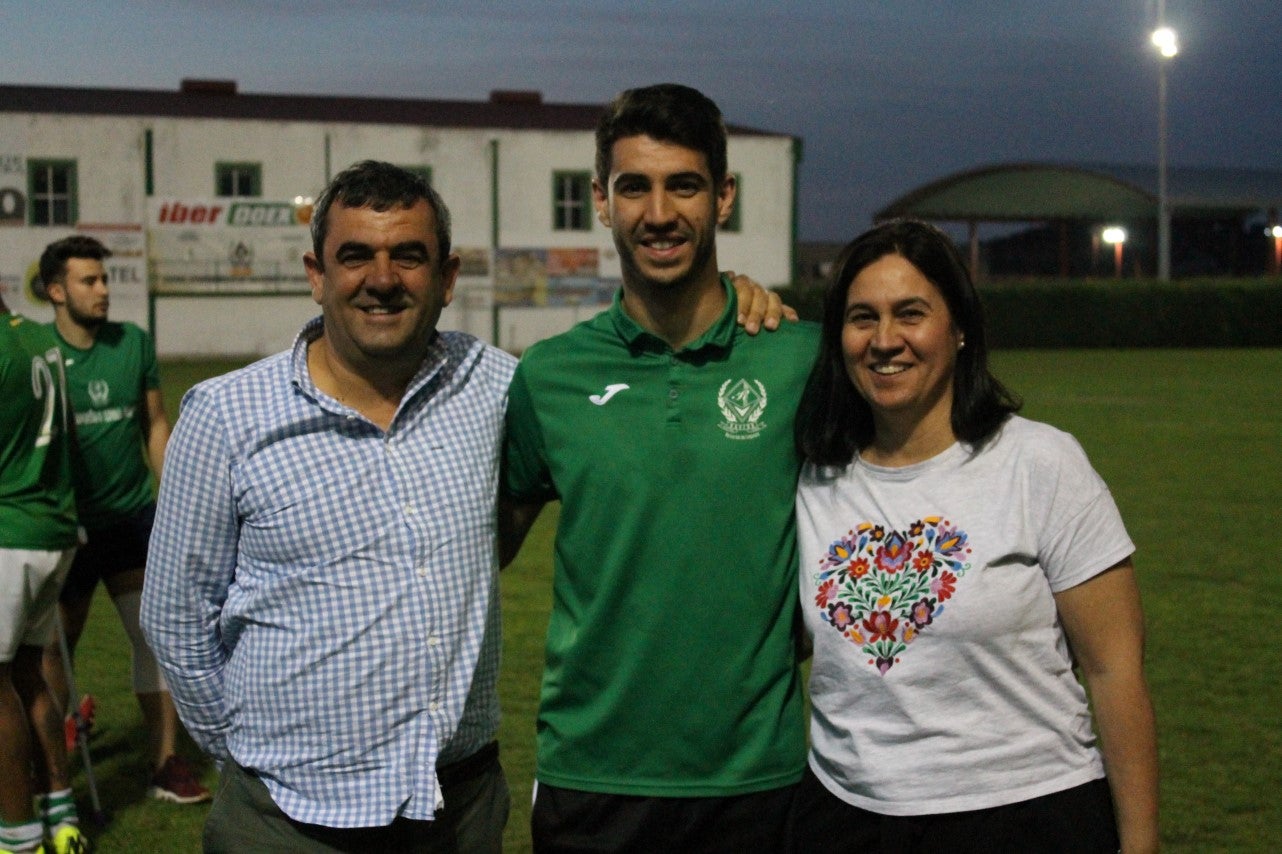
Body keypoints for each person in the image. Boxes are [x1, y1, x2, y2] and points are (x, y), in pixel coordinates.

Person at [140, 161, 516, 852]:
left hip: (456, 809)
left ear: (448, 277)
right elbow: (174, 612)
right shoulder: (227, 415)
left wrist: (730, 294)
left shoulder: (495, 387)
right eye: (355, 256)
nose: (381, 279)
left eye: (408, 255)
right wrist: (251, 757)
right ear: (317, 274)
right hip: (283, 821)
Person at [501, 83, 819, 852]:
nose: (659, 212)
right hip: (594, 776)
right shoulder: (549, 376)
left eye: (685, 185)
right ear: (602, 202)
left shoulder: (798, 359)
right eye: (633, 187)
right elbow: (483, 548)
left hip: (757, 779)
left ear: (724, 197)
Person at [789, 219, 1159, 853]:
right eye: (861, 318)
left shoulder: (1041, 463)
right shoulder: (814, 477)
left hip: (1027, 815)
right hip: (848, 818)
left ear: (959, 328)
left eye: (911, 314)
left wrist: (1141, 843)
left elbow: (1113, 669)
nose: (885, 341)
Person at [34, 235, 209, 805]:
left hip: (133, 519)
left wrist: (176, 494)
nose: (104, 290)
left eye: (105, 279)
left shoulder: (132, 343)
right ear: (56, 291)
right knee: (55, 652)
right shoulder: (39, 355)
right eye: (89, 281)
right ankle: (50, 767)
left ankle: (165, 764)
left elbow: (155, 423)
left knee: (151, 637)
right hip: (68, 527)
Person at [0, 294, 88, 854]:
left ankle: (16, 834)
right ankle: (62, 814)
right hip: (53, 526)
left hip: (8, 531)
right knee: (31, 672)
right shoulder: (40, 339)